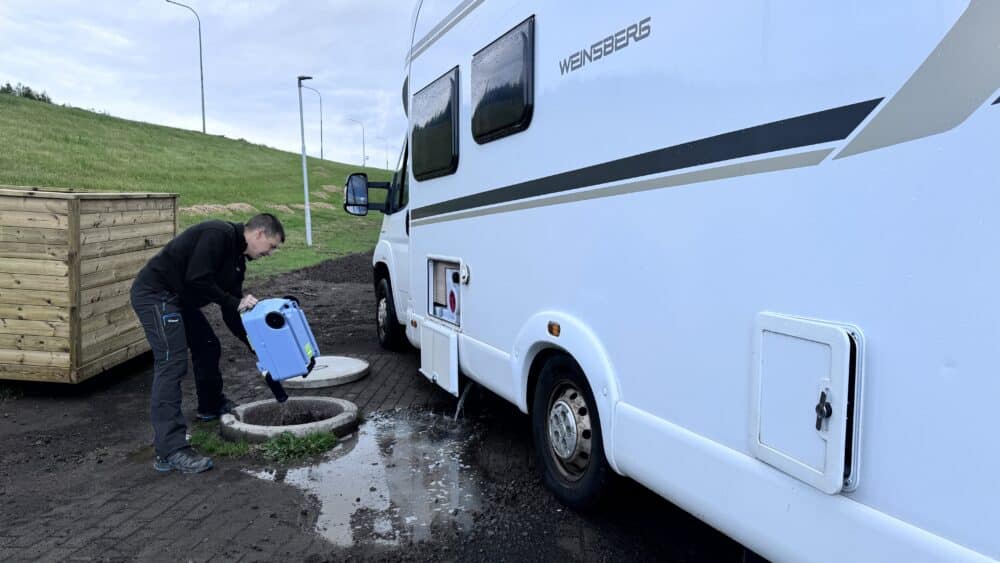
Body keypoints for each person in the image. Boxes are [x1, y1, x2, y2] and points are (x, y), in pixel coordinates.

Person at [130, 213, 285, 474]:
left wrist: (259, 347)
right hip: (156, 294)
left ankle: (210, 405)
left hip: (178, 299)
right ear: (258, 234)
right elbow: (197, 279)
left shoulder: (237, 262)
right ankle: (170, 450)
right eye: (271, 246)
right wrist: (233, 301)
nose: (270, 253)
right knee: (172, 364)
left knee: (208, 345)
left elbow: (232, 313)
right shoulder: (218, 234)